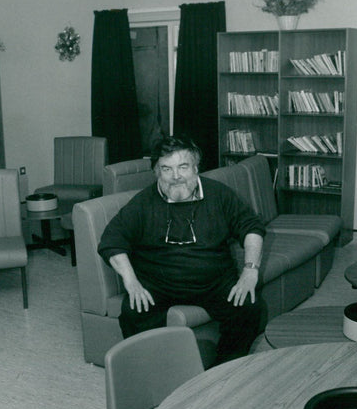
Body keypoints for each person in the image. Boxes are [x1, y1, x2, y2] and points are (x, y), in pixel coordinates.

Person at [98, 135, 266, 366]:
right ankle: (152, 374)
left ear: (196, 168)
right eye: (166, 169)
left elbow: (251, 227)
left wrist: (250, 270)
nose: (176, 176)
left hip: (215, 282)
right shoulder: (143, 202)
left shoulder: (219, 194)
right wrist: (131, 281)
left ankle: (224, 368)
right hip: (158, 284)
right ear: (156, 171)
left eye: (183, 167)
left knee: (250, 307)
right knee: (133, 312)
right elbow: (112, 240)